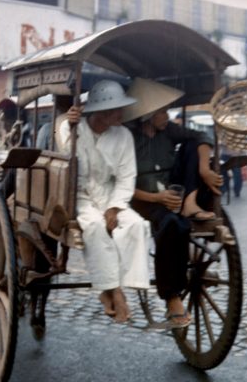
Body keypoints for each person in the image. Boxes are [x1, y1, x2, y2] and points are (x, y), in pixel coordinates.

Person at [122, 78, 223, 328]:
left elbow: (202, 135)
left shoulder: (169, 131)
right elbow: (120, 184)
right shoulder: (127, 138)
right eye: (161, 111)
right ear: (147, 114)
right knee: (171, 226)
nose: (167, 115)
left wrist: (203, 167)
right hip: (141, 201)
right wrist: (157, 198)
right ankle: (172, 297)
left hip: (172, 196)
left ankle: (190, 203)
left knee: (191, 146)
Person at [58, 80, 150, 323]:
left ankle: (119, 284)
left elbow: (126, 176)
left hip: (111, 196)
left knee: (137, 225)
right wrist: (70, 125)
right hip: (79, 196)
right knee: (95, 228)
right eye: (115, 110)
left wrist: (115, 206)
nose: (121, 114)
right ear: (100, 112)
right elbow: (64, 159)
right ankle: (113, 292)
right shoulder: (73, 130)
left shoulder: (123, 135)